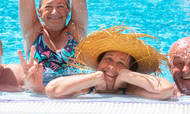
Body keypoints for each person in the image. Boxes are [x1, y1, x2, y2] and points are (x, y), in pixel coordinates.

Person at [45, 26, 174, 100]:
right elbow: (52, 90)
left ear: (129, 70)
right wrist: (97, 77)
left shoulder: (131, 89)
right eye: (108, 59)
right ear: (99, 62)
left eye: (121, 63)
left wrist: (125, 75)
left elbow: (166, 89)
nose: (112, 66)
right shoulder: (86, 86)